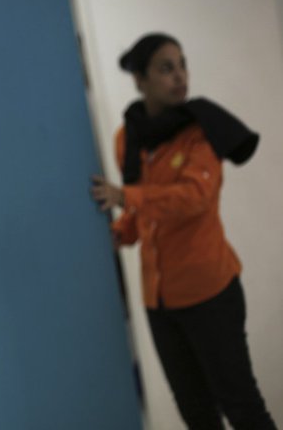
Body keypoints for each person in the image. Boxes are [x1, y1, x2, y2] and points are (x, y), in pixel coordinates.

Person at [90, 33, 276, 430]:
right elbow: (142, 212)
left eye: (182, 65)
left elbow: (193, 197)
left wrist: (126, 196)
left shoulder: (201, 131)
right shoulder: (129, 137)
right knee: (194, 411)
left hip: (209, 293)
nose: (179, 76)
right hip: (159, 301)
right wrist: (120, 233)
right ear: (140, 80)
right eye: (165, 68)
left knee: (241, 405)